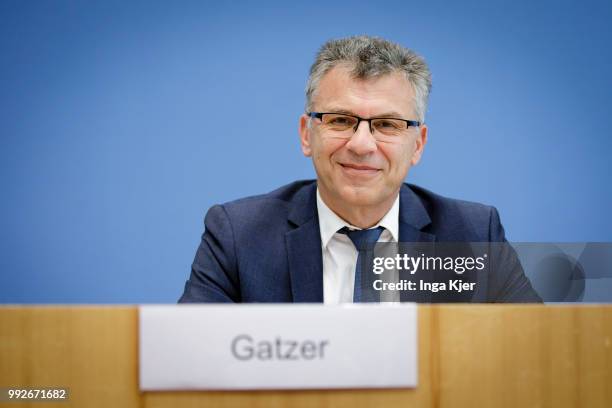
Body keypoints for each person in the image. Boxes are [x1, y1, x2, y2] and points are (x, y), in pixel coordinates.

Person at [179, 35, 541, 304]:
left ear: (418, 144)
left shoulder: (473, 236)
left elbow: (535, 355)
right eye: (340, 120)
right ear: (307, 134)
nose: (362, 144)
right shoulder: (239, 236)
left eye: (387, 124)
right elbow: (191, 362)